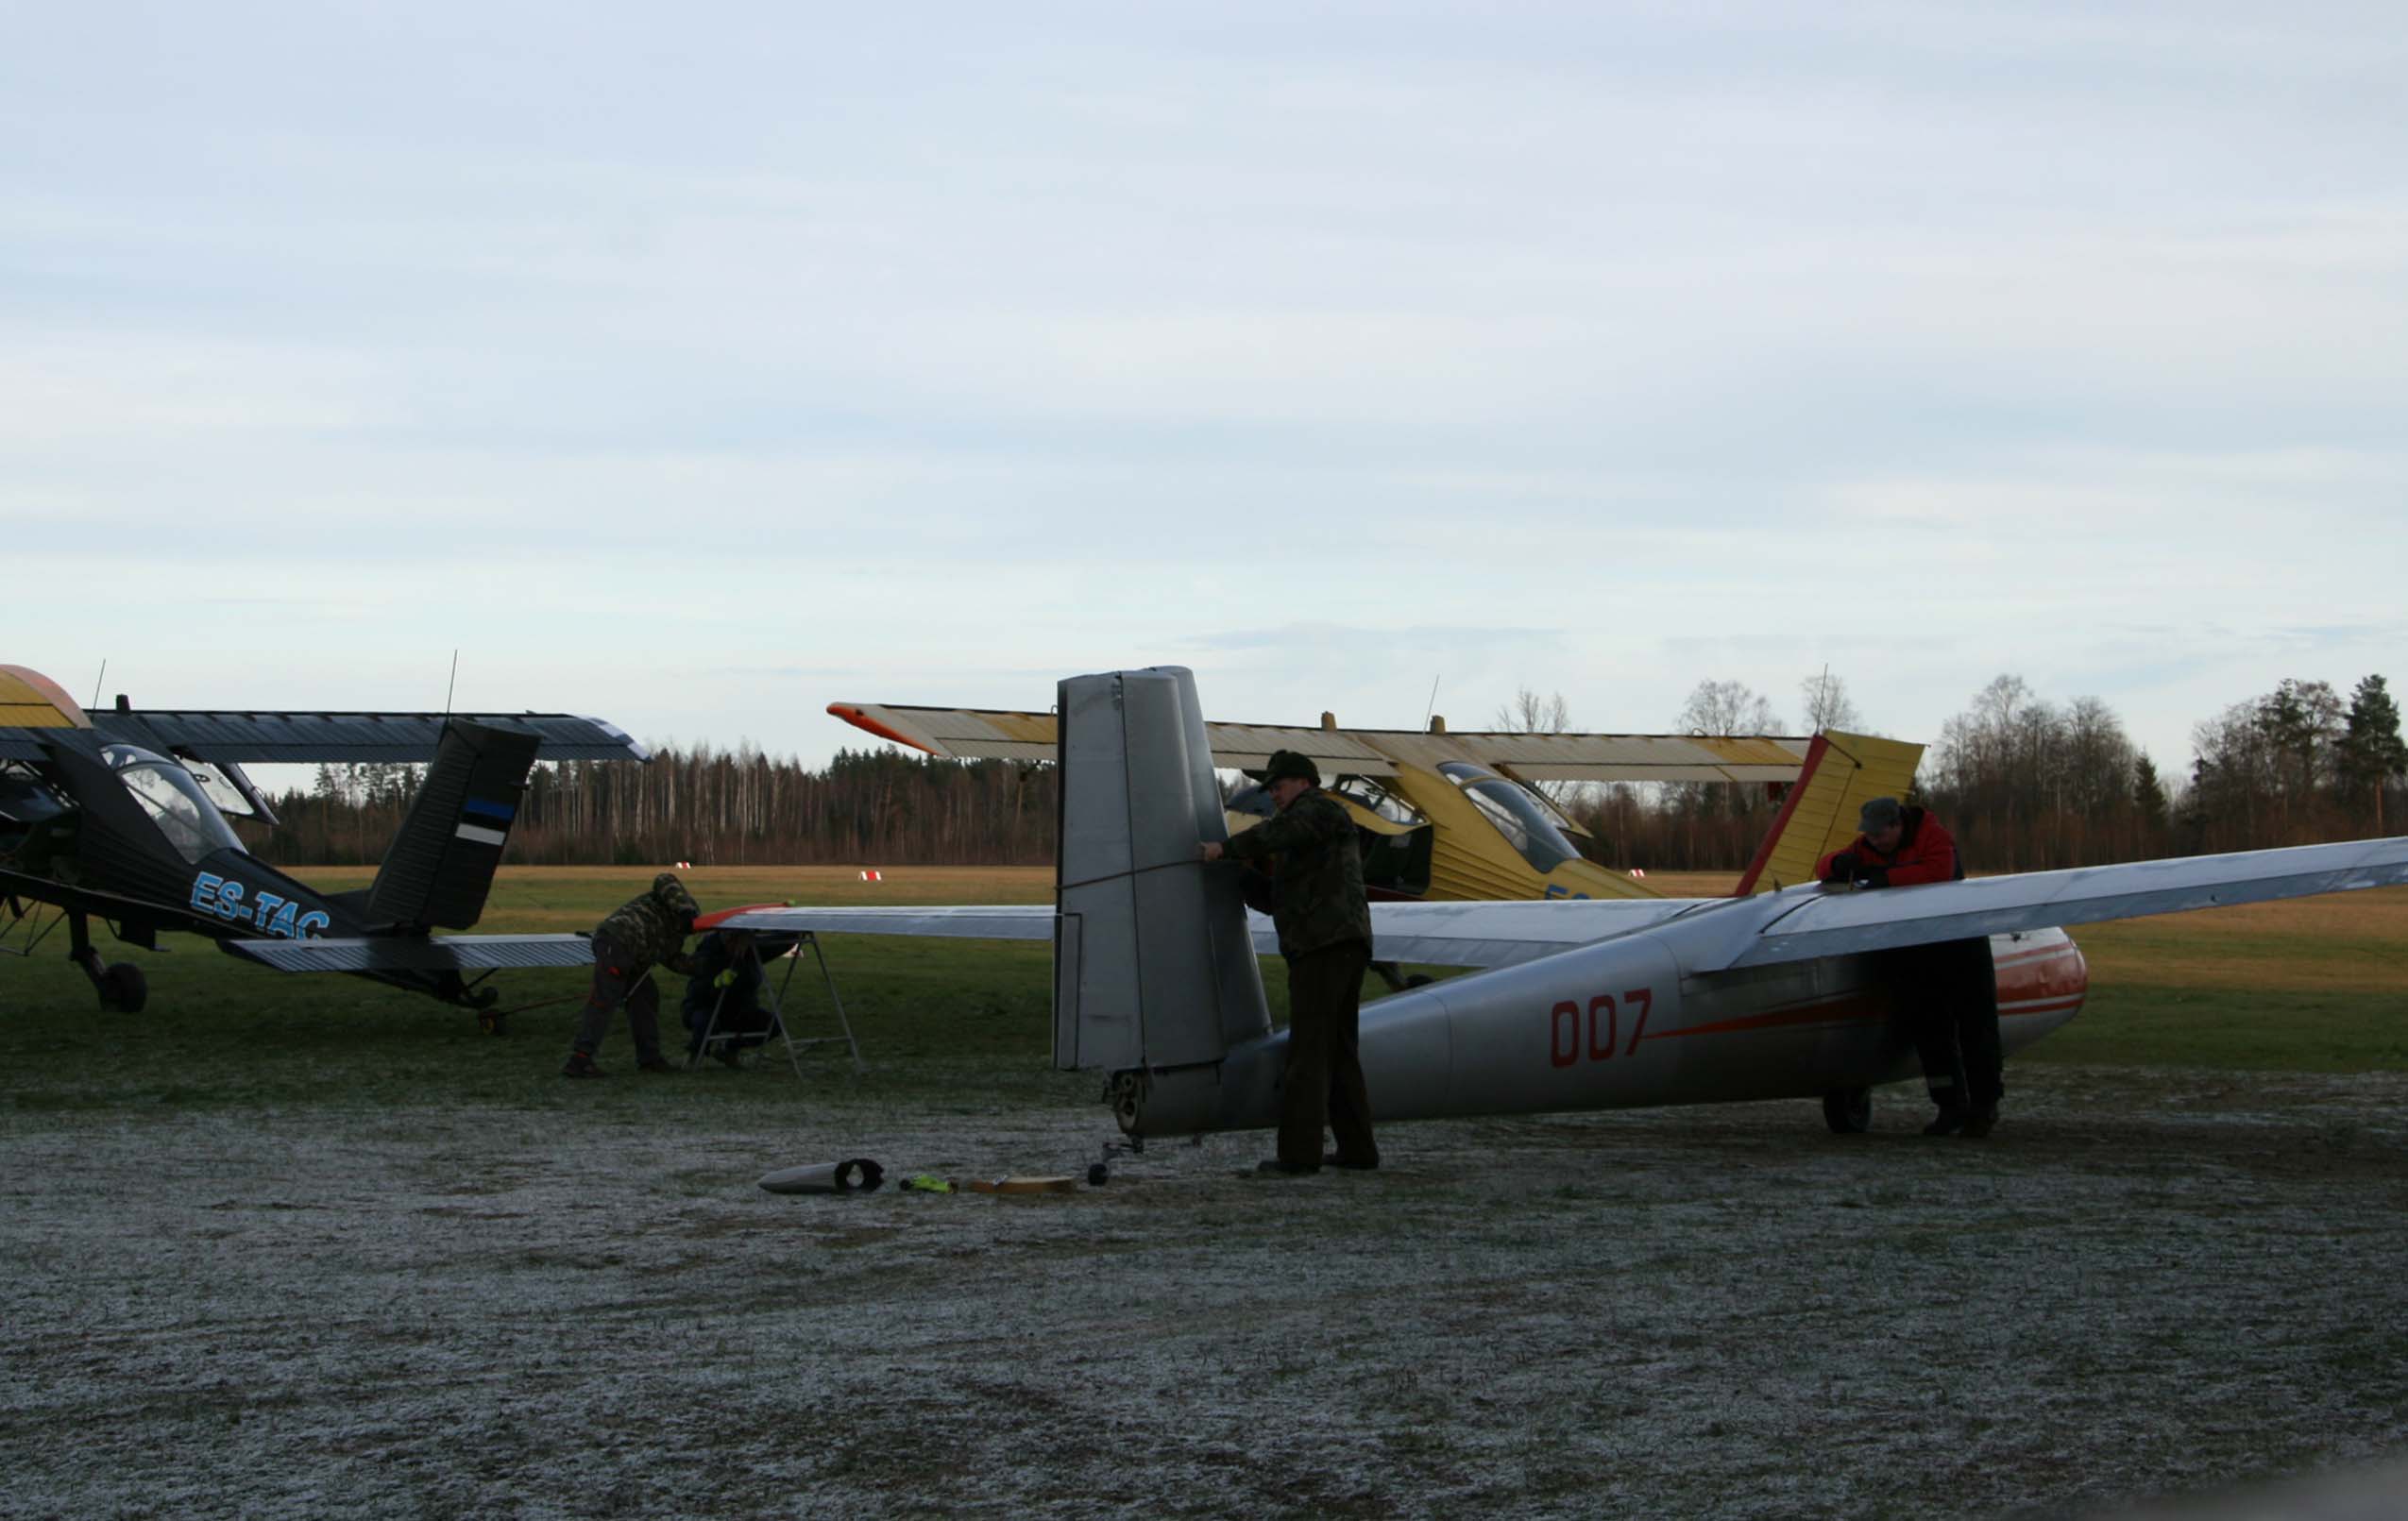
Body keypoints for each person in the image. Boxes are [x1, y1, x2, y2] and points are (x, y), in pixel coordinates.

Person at [1201, 749, 1378, 1175]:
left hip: (1324, 948)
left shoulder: (1318, 811)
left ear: (1302, 782)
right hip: (1336, 945)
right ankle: (1357, 1150)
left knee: (1309, 1053)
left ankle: (1299, 1155)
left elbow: (1275, 834)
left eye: (1277, 787)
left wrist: (1222, 850)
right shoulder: (1313, 834)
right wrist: (1238, 879)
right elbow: (1283, 899)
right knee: (1337, 1052)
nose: (1273, 796)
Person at [1816, 797, 2003, 1137]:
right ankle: (1949, 1106)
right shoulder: (1866, 846)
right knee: (1929, 1029)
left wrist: (1882, 878)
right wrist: (1838, 864)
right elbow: (1824, 867)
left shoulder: (1934, 836)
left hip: (1961, 943)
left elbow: (1937, 872)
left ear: (1898, 825)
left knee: (1977, 1026)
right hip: (1915, 949)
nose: (1873, 841)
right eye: (1869, 835)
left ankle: (1984, 1107)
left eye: (1879, 835)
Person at [564, 871, 700, 1077]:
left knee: (646, 996)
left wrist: (707, 968)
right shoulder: (665, 902)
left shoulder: (672, 935)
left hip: (633, 958)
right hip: (617, 941)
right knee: (603, 1001)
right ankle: (580, 1060)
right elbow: (664, 878)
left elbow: (673, 959)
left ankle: (649, 1058)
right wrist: (686, 911)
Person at [682, 928, 778, 1067]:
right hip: (704, 1008)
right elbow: (696, 992)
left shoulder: (751, 953)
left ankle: (729, 1050)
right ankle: (695, 1053)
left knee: (772, 1025)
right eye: (734, 942)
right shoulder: (707, 953)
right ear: (726, 940)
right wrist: (717, 984)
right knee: (705, 1021)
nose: (738, 947)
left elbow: (754, 979)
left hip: (739, 1010)